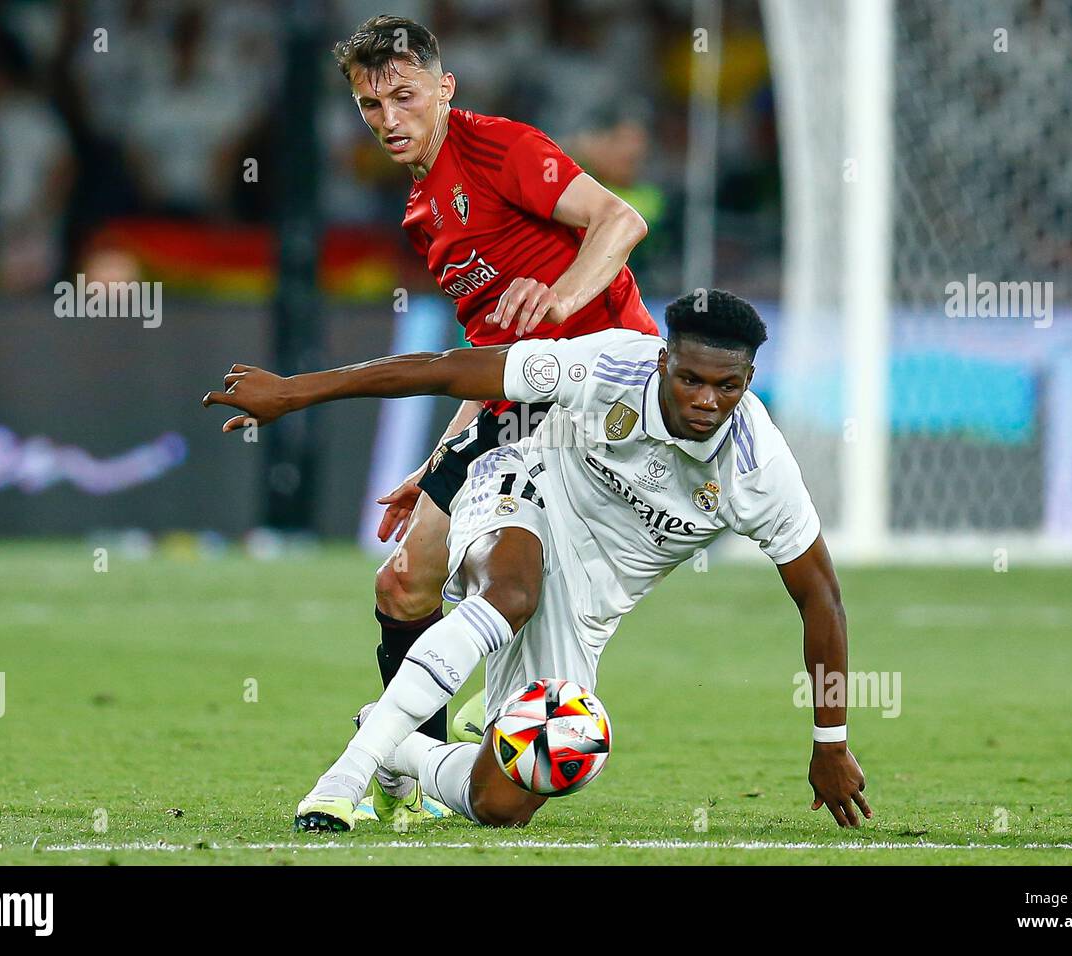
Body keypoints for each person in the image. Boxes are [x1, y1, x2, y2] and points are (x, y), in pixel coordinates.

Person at [203, 289, 872, 832]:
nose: (705, 401)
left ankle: (399, 746)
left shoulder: (759, 468)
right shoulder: (610, 364)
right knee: (512, 593)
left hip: (584, 608)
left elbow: (822, 598)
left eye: (726, 387)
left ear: (749, 380)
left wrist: (831, 741)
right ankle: (343, 777)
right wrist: (294, 392)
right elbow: (446, 367)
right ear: (663, 361)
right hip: (521, 480)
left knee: (508, 801)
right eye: (690, 379)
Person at [330, 16, 659, 820]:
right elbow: (492, 362)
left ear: (444, 89)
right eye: (371, 106)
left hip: (603, 397)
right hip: (517, 408)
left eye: (404, 96)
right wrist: (433, 464)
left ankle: (452, 737)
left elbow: (620, 221)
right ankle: (426, 770)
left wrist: (562, 298)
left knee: (522, 592)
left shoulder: (502, 148)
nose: (389, 119)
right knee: (404, 582)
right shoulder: (423, 216)